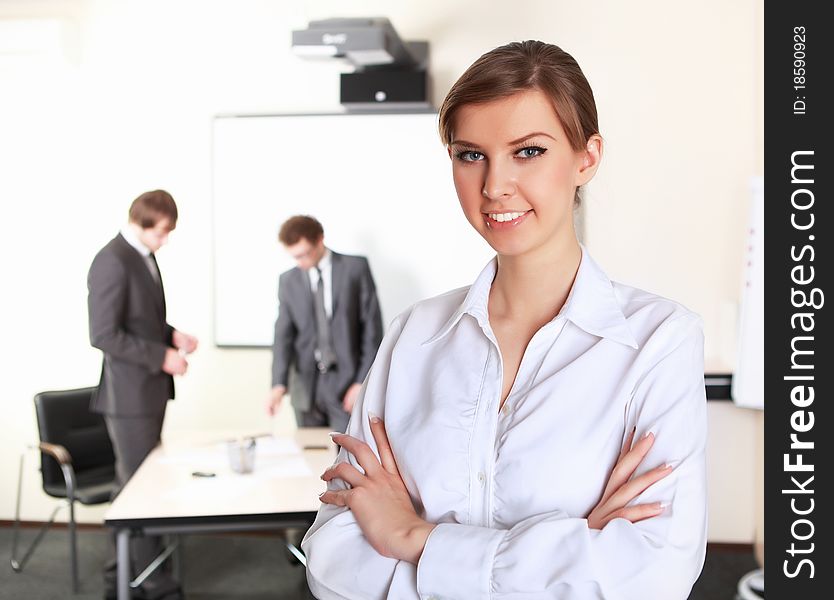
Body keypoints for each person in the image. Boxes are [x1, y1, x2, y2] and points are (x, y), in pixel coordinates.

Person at [301, 41, 708, 599]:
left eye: (529, 152)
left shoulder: (658, 341)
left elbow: (651, 577)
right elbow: (332, 562)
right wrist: (575, 547)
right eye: (471, 154)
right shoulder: (413, 336)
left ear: (586, 157)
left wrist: (413, 538)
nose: (494, 186)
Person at [88, 189, 197, 600]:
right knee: (139, 490)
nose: (166, 240)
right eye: (163, 231)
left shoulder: (142, 257)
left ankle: (118, 577)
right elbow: (103, 334)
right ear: (141, 221)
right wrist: (163, 357)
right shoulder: (112, 260)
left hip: (147, 395)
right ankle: (152, 581)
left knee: (132, 487)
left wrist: (173, 335)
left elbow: (141, 320)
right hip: (129, 399)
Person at [268, 215, 383, 433]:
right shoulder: (288, 281)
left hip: (347, 383)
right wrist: (278, 385)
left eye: (304, 254)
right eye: (295, 257)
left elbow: (372, 330)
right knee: (310, 457)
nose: (300, 262)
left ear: (320, 240)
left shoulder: (355, 269)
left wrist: (362, 382)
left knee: (347, 456)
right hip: (306, 388)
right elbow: (283, 336)